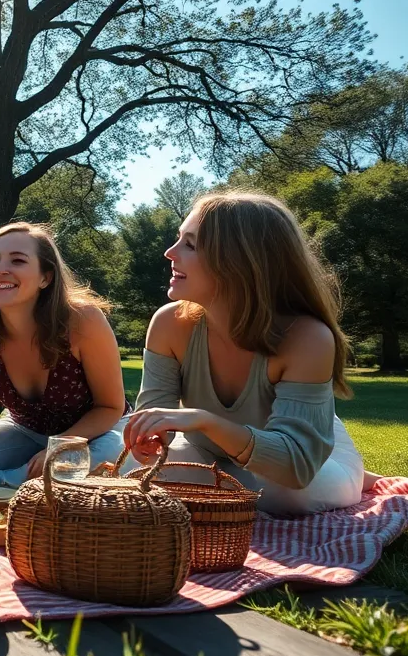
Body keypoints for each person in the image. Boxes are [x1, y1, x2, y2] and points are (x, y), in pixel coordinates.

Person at [122, 190, 366, 515]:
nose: (170, 252)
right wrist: (151, 439)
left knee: (289, 497)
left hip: (300, 453)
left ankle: (351, 476)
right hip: (212, 453)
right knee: (136, 478)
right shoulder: (170, 323)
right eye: (179, 239)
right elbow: (155, 413)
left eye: (191, 245)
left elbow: (294, 467)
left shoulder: (306, 337)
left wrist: (206, 421)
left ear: (238, 262)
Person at [0, 222, 128, 489]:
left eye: (18, 260)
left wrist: (60, 447)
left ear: (46, 277)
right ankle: (18, 488)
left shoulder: (82, 319)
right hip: (24, 429)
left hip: (98, 433)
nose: (1, 270)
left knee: (106, 456)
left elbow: (110, 407)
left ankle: (11, 489)